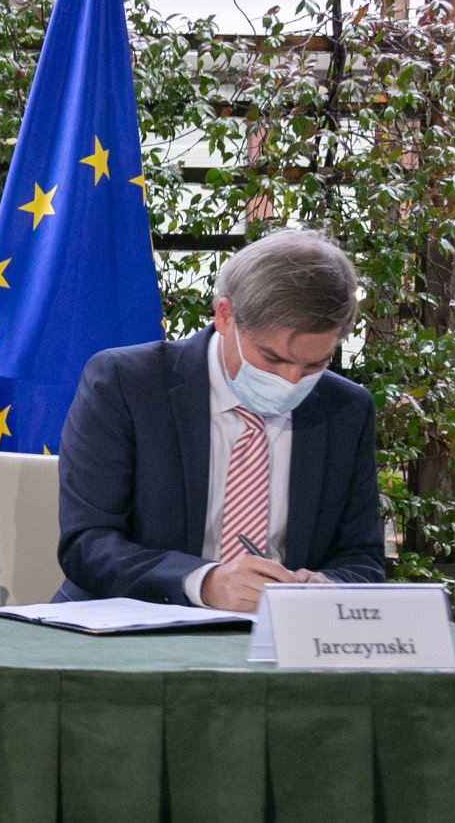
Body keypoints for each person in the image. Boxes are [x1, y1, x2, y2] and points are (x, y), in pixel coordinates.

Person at [56, 228, 386, 610]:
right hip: (131, 626)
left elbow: (361, 557)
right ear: (226, 316)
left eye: (314, 364)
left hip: (278, 633)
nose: (291, 380)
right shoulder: (126, 383)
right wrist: (205, 582)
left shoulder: (346, 408)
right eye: (273, 359)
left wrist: (330, 586)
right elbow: (88, 545)